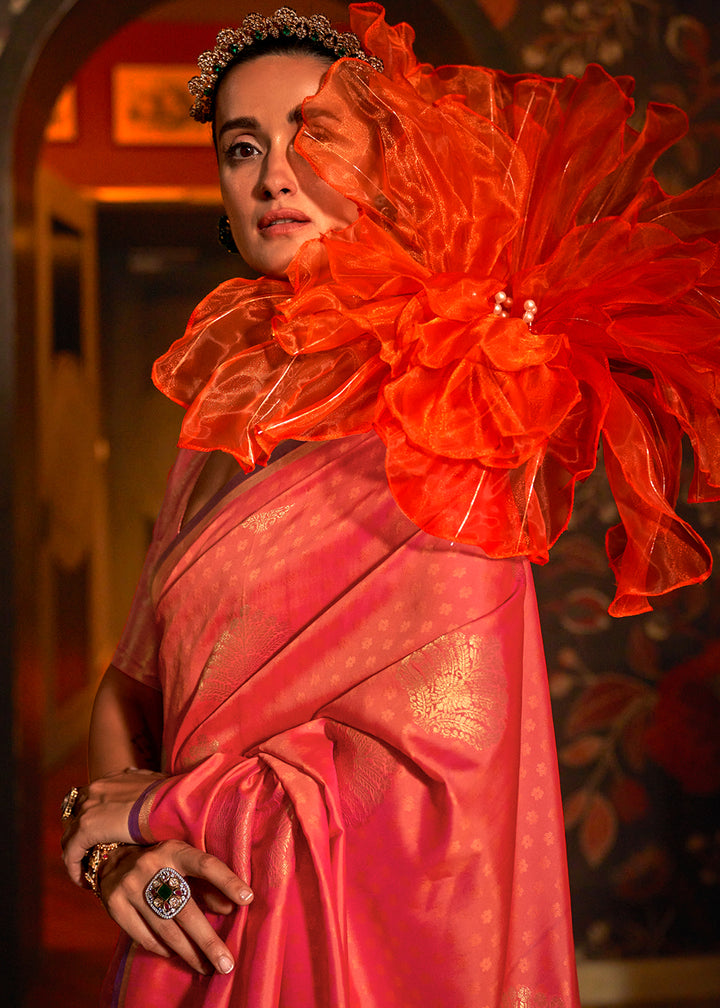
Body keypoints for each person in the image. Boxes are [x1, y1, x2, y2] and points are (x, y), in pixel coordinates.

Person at [60, 4, 720, 1007]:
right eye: (244, 147)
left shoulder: (451, 423)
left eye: (315, 135)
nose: (275, 173)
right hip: (177, 921)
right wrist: (120, 858)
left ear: (388, 171)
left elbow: (427, 796)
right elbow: (131, 685)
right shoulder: (222, 424)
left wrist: (155, 808)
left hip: (331, 954)